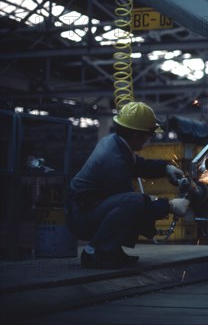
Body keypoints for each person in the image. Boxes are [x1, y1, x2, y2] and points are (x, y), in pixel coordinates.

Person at [65, 101, 191, 269]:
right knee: (133, 203)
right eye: (149, 135)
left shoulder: (115, 142)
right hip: (83, 217)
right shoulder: (113, 160)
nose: (148, 139)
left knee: (133, 203)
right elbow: (137, 206)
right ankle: (94, 252)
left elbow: (137, 165)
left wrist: (165, 168)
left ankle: (112, 250)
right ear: (137, 136)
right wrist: (169, 206)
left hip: (87, 209)